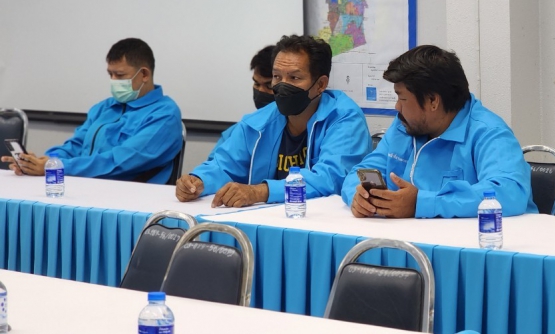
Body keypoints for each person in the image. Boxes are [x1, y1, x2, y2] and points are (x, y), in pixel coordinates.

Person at [342, 45, 537, 218]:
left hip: (483, 243)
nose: (397, 107)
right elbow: (361, 172)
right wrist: (358, 197)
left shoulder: (489, 132)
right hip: (411, 238)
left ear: (432, 101)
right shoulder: (404, 125)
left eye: (402, 99)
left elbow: (509, 192)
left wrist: (421, 204)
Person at [176, 34, 371, 207]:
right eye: (277, 77)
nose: (283, 86)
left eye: (294, 78)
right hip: (269, 218)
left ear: (320, 84)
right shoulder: (257, 122)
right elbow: (224, 165)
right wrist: (198, 181)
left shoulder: (344, 119)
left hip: (322, 220)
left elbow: (330, 179)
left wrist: (259, 192)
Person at [1, 38, 183, 183]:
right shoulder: (104, 107)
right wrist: (41, 162)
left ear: (144, 74)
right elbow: (75, 145)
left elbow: (121, 161)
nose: (113, 80)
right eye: (110, 74)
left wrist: (55, 166)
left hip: (127, 201)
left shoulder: (164, 115)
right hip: (83, 189)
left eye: (120, 75)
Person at [207, 44, 276, 158]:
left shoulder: (297, 129)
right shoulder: (244, 128)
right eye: (256, 84)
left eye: (269, 86)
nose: (260, 91)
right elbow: (215, 162)